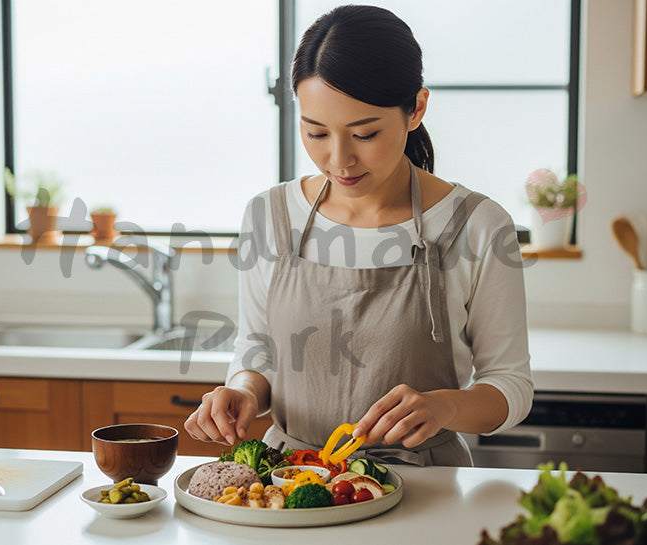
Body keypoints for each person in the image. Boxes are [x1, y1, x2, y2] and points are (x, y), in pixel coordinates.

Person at [185, 4, 533, 466]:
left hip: (423, 485)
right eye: (316, 133)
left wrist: (444, 406)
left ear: (416, 109)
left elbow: (511, 386)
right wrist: (243, 390)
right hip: (289, 482)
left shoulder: (478, 225)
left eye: (365, 133)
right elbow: (258, 350)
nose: (339, 159)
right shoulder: (269, 215)